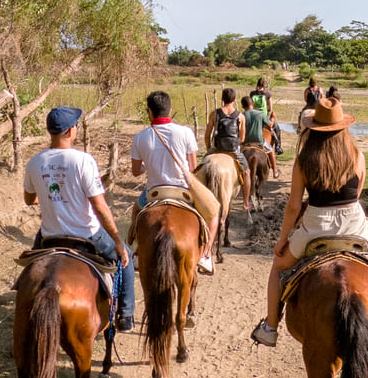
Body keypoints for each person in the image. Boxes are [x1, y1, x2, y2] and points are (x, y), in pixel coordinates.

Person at [250, 97, 368, 347]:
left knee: (278, 266)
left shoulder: (304, 160)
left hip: (315, 227)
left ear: (314, 129)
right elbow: (356, 196)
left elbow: (293, 206)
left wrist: (282, 240)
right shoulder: (357, 156)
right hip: (354, 225)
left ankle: (270, 327)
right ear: (343, 128)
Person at [23, 105, 134, 331]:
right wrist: (117, 240)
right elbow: (99, 206)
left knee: (29, 270)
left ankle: (24, 308)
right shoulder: (83, 160)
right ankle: (126, 314)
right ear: (70, 131)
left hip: (49, 236)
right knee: (126, 258)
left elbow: (29, 199)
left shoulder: (35, 162)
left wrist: (52, 197)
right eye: (75, 126)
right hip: (87, 234)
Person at [130, 90, 218, 274]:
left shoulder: (140, 137)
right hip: (183, 190)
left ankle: (137, 251)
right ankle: (206, 254)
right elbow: (192, 166)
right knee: (214, 211)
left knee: (137, 210)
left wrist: (148, 165)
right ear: (170, 110)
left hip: (154, 192)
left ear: (149, 111)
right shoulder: (185, 132)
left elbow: (136, 171)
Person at [204, 87, 253, 207]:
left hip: (217, 148)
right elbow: (242, 138)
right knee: (247, 172)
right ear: (234, 99)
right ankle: (245, 202)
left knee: (201, 167)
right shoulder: (240, 116)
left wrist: (209, 148)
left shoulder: (215, 114)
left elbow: (207, 134)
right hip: (233, 150)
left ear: (222, 99)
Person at [241, 93, 274, 193]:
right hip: (259, 142)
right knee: (271, 151)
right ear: (253, 104)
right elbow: (270, 126)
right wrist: (272, 119)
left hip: (245, 143)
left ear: (242, 106)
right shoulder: (260, 114)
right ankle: (275, 170)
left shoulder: (241, 115)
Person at [249, 76, 283, 157]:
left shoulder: (252, 94)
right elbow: (270, 109)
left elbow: (250, 106)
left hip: (253, 117)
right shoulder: (267, 94)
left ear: (257, 84)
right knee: (276, 128)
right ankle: (278, 147)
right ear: (265, 85)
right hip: (264, 117)